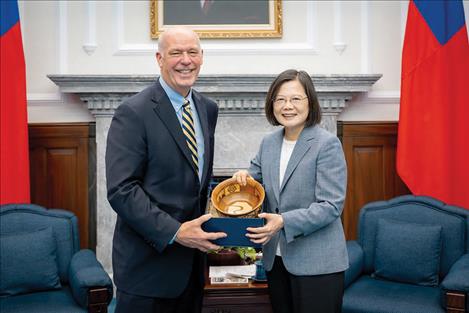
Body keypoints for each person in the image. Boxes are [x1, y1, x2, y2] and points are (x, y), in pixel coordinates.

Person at [106, 27, 226, 313]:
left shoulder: (207, 108)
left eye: (192, 52)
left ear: (201, 57)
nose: (186, 60)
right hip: (147, 271)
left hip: (191, 272)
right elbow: (121, 190)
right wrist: (175, 232)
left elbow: (193, 183)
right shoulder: (133, 112)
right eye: (176, 53)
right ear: (160, 58)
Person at [233, 69, 348, 313]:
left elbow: (331, 206)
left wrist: (283, 221)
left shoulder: (327, 144)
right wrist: (241, 178)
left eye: (296, 99)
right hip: (276, 259)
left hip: (318, 263)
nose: (288, 106)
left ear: (310, 102)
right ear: (272, 103)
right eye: (281, 99)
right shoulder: (269, 142)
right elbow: (253, 181)